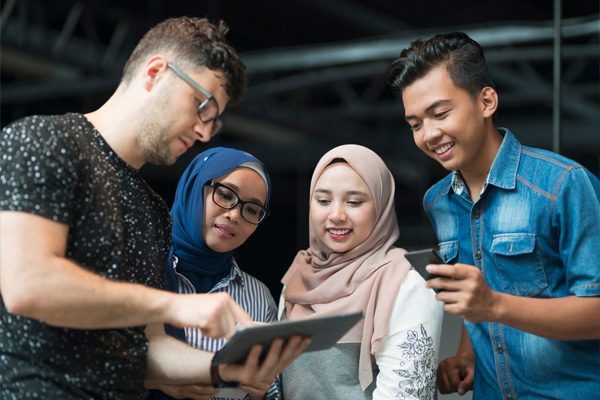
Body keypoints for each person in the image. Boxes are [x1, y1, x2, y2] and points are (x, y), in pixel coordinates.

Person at [0, 16, 309, 400]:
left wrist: (226, 368)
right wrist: (179, 306)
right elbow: (29, 285)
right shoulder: (45, 143)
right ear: (156, 72)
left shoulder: (152, 209)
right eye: (202, 108)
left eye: (213, 123)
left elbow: (149, 345)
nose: (202, 132)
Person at [386, 32, 600, 399]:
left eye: (440, 113)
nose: (429, 134)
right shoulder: (437, 202)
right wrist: (466, 356)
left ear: (486, 101)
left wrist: (495, 305)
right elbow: (481, 294)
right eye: (415, 124)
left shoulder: (562, 184)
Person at [279, 144, 444, 399]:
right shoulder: (298, 278)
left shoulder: (404, 281)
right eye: (323, 200)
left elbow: (405, 394)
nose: (336, 215)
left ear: (380, 205)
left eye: (354, 202)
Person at [146, 147, 281, 400]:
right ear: (194, 189)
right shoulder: (140, 272)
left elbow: (271, 392)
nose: (234, 214)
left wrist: (260, 393)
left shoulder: (259, 298)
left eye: (252, 210)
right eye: (226, 194)